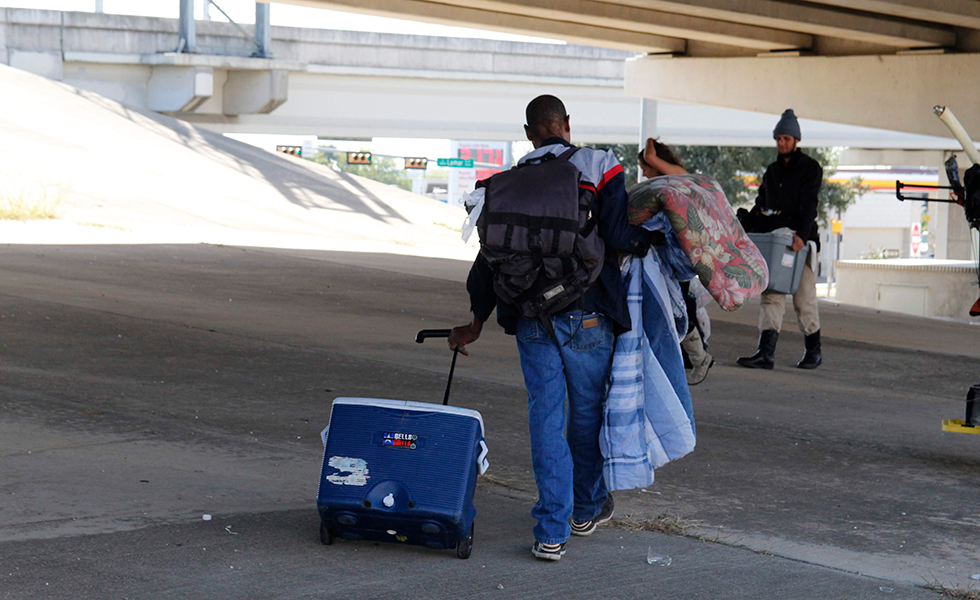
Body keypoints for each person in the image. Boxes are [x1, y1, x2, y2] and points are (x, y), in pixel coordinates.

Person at [448, 95, 653, 561]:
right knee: (584, 415)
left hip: (531, 318)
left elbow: (487, 261)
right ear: (565, 125)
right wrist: (655, 239)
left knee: (545, 417)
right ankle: (585, 509)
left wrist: (476, 321)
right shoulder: (599, 164)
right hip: (588, 313)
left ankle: (550, 532)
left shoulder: (508, 182)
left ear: (529, 133)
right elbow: (621, 236)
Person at [737, 109, 823, 370]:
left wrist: (803, 236)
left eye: (787, 138)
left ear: (796, 140)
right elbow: (762, 205)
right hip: (775, 242)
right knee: (771, 293)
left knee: (804, 298)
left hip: (801, 243)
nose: (782, 143)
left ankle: (814, 351)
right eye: (779, 139)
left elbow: (810, 205)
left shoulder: (810, 169)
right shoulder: (772, 171)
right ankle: (766, 352)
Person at [636, 138, 714, 386]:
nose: (644, 172)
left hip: (677, 260)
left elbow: (651, 157)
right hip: (661, 259)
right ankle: (685, 360)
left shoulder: (679, 178)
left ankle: (699, 358)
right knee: (669, 311)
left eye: (645, 167)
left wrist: (650, 144)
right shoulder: (658, 188)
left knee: (676, 312)